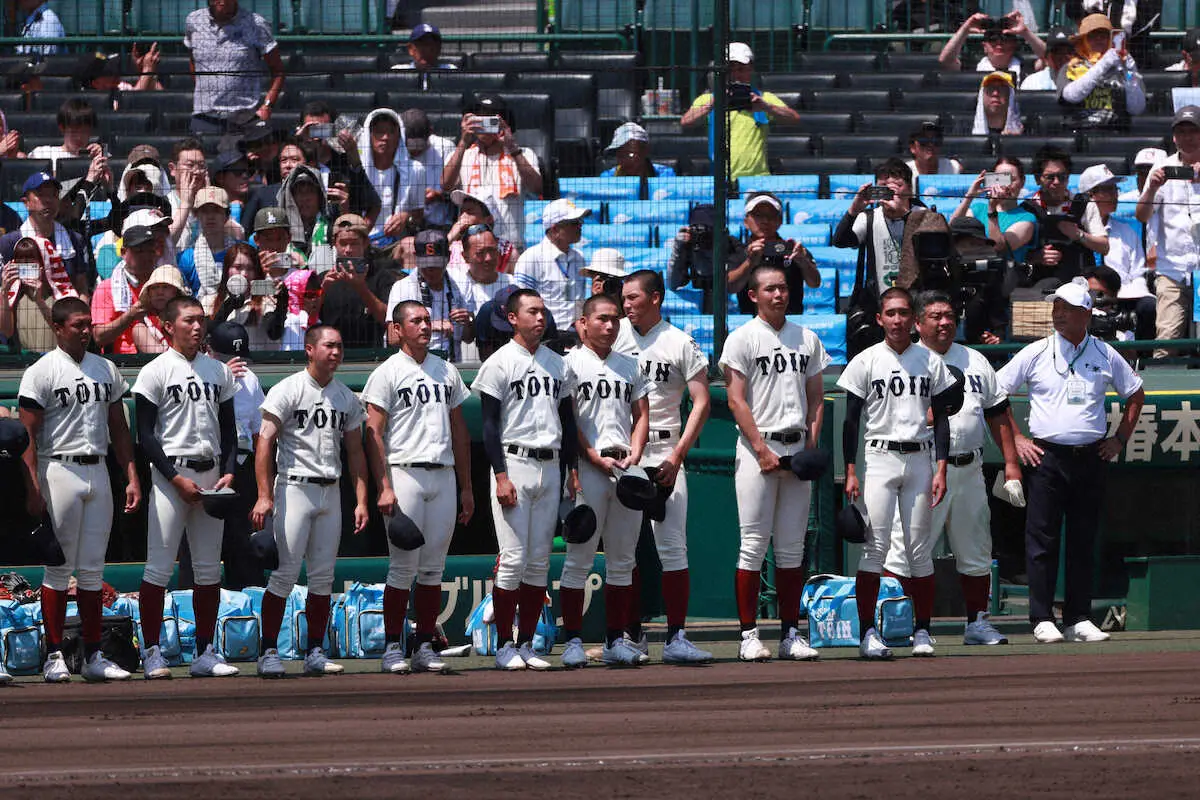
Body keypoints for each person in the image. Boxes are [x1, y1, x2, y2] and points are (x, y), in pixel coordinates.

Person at [996, 280, 1145, 643]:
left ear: (1085, 315)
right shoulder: (1035, 352)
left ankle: (1078, 616)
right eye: (1055, 307)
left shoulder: (1105, 353)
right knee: (1041, 539)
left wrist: (1119, 439)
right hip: (1047, 457)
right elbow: (997, 392)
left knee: (1083, 538)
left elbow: (1136, 393)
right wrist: (1017, 438)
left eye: (1066, 308)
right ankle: (1041, 617)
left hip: (1091, 457)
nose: (1058, 314)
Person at [882, 291, 1022, 646]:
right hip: (921, 467)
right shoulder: (905, 361)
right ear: (918, 322)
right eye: (935, 316)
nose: (945, 322)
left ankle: (977, 623)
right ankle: (900, 624)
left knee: (976, 550)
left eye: (949, 315)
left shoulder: (975, 359)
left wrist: (1011, 464)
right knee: (907, 551)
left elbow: (997, 413)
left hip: (969, 467)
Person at [18, 297, 141, 682]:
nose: (86, 331)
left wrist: (132, 475)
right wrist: (34, 486)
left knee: (91, 571)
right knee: (58, 570)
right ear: (57, 328)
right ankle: (54, 654)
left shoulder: (105, 368)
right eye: (78, 325)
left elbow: (119, 428)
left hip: (98, 471)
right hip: (59, 468)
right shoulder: (42, 370)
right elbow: (27, 436)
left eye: (89, 324)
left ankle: (92, 654)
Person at [837, 288, 957, 660]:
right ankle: (868, 633)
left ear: (912, 318)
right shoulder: (866, 360)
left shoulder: (929, 360)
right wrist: (851, 470)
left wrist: (941, 468)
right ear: (879, 318)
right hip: (879, 457)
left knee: (920, 550)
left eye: (904, 312)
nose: (898, 320)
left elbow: (942, 419)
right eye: (890, 313)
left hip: (920, 458)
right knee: (875, 548)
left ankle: (923, 630)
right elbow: (850, 420)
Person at [719, 265, 830, 663]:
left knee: (791, 549)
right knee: (752, 546)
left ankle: (790, 634)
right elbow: (735, 399)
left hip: (796, 445)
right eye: (770, 289)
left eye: (783, 288)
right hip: (757, 448)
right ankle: (749, 634)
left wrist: (811, 448)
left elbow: (816, 397)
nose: (779, 295)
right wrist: (760, 448)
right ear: (753, 295)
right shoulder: (742, 338)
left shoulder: (807, 338)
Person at [131, 296, 240, 679]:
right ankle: (152, 651)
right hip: (170, 474)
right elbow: (144, 435)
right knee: (159, 568)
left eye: (201, 321)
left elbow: (230, 430)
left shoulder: (219, 372)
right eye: (189, 321)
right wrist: (174, 479)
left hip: (211, 474)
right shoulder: (154, 371)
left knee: (209, 569)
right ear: (168, 325)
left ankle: (205, 651)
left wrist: (229, 472)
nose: (197, 327)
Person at [250, 325, 369, 677]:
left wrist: (361, 499)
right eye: (329, 346)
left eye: (340, 346)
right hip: (294, 487)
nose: (335, 352)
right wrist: (263, 495)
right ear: (309, 349)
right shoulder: (288, 389)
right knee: (284, 575)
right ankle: (268, 651)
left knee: (322, 577)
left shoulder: (346, 396)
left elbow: (355, 452)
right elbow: (264, 444)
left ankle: (315, 649)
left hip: (330, 489)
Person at [362, 300, 473, 674]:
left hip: (442, 474)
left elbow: (460, 431)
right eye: (416, 321)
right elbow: (373, 431)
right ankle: (393, 646)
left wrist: (467, 487)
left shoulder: (446, 370)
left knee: (432, 570)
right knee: (402, 567)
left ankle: (425, 643)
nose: (425, 326)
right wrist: (384, 486)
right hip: (404, 472)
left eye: (427, 319)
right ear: (397, 329)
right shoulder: (387, 372)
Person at [472, 289, 577, 671]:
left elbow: (567, 422)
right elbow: (487, 425)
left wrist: (573, 472)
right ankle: (504, 644)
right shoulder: (500, 363)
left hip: (550, 465)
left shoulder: (558, 364)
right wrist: (500, 475)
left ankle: (528, 643)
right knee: (514, 559)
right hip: (513, 462)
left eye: (543, 310)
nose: (540, 317)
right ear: (512, 318)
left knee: (538, 562)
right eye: (532, 311)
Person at [615, 270, 713, 663]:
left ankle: (676, 637)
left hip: (666, 451)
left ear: (656, 298)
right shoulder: (613, 336)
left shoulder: (679, 341)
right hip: (622, 455)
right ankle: (629, 634)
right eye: (623, 298)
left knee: (672, 549)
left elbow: (702, 402)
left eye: (633, 297)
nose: (626, 305)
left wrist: (678, 457)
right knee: (624, 551)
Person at [557, 294, 651, 667]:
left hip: (624, 465)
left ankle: (616, 640)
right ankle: (573, 641)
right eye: (602, 319)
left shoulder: (630, 365)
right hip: (588, 466)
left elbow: (641, 414)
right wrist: (588, 458)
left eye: (614, 319)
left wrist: (637, 451)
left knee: (623, 560)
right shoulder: (569, 365)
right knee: (579, 558)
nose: (610, 325)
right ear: (584, 322)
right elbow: (569, 421)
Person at [680, 42, 799, 179]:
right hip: (721, 180)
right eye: (731, 70)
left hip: (757, 179)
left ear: (751, 70)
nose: (736, 75)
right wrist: (713, 104)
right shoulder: (707, 100)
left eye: (742, 69)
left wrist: (767, 107)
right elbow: (686, 121)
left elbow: (794, 118)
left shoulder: (764, 98)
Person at [1136, 106, 1200, 359]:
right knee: (1165, 341)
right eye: (1181, 132)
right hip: (1171, 269)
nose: (1187, 137)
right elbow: (1142, 216)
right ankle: (1166, 395)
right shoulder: (1161, 168)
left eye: (1193, 131)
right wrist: (1151, 189)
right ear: (1174, 137)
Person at [206, 321, 265, 591]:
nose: (237, 364)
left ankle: (247, 613)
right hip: (209, 465)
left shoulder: (250, 379)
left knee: (244, 544)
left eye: (240, 358)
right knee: (204, 545)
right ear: (211, 351)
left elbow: (257, 432)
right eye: (230, 358)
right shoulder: (202, 374)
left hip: (242, 465)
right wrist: (221, 379)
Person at [442, 93, 543, 248]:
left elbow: (537, 188)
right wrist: (463, 142)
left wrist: (512, 148)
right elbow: (446, 185)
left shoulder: (524, 154)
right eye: (481, 120)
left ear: (505, 124)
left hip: (510, 247)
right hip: (472, 246)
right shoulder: (462, 155)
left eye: (492, 120)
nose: (486, 126)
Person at [833, 158, 945, 295]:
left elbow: (938, 245)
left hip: (919, 294)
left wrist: (903, 213)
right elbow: (840, 241)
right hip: (881, 297)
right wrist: (854, 210)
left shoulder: (923, 215)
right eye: (884, 185)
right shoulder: (869, 218)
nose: (891, 191)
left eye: (897, 185)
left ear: (909, 189)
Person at [1078, 164, 1155, 342]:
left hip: (1123, 294)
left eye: (1115, 189)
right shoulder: (1077, 230)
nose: (1115, 195)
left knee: (1148, 306)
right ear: (1090, 195)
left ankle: (1144, 360)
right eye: (1107, 190)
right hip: (1088, 295)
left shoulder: (1126, 231)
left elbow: (1137, 271)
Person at [185, 0, 286, 135]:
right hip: (203, 117)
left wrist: (267, 106)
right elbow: (193, 60)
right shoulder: (193, 21)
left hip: (243, 117)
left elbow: (278, 71)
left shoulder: (256, 24)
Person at [1021, 145, 1108, 286]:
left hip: (1079, 281)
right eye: (1050, 177)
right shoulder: (1027, 208)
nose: (1056, 182)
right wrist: (1035, 257)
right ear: (1037, 179)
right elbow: (1015, 254)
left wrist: (1079, 235)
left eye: (1062, 177)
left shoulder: (1084, 204)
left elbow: (1104, 247)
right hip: (1039, 282)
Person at [0, 173, 90, 302]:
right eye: (41, 194)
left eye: (54, 195)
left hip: (66, 313)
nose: (48, 200)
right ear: (26, 203)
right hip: (24, 314)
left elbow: (82, 289)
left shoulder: (75, 239)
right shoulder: (9, 242)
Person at [727, 192, 821, 314]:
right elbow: (730, 287)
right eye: (758, 215)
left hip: (790, 322)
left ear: (780, 220)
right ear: (746, 221)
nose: (765, 221)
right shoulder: (739, 252)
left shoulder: (794, 250)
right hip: (752, 324)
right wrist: (750, 262)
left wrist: (803, 261)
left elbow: (815, 283)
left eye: (771, 215)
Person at [387, 229, 471, 359]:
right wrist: (429, 326)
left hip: (452, 364)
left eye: (436, 265)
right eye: (426, 265)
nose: (431, 271)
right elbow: (392, 338)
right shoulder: (402, 287)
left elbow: (469, 338)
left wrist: (468, 321)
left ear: (448, 257)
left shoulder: (462, 282)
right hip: (415, 364)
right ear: (415, 257)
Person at [513, 198, 591, 334]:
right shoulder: (531, 257)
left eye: (580, 221)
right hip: (545, 337)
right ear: (555, 229)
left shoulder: (579, 258)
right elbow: (521, 304)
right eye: (574, 223)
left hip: (576, 336)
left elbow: (579, 300)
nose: (580, 226)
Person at [1057, 13, 1146, 132]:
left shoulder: (1123, 68)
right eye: (1093, 36)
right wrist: (1103, 64)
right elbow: (1071, 96)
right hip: (1079, 132)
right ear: (1083, 40)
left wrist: (1130, 71)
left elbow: (1136, 108)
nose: (1099, 39)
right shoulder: (1071, 67)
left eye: (1103, 35)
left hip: (1116, 133)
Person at [321, 213, 396, 349]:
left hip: (371, 356)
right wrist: (321, 292)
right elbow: (308, 321)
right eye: (343, 243)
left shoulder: (381, 277)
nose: (348, 250)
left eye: (354, 243)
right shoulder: (324, 280)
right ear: (334, 243)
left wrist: (361, 288)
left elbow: (388, 318)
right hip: (331, 357)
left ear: (366, 243)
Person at [92, 225, 168, 355]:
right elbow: (99, 337)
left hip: (165, 354)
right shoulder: (107, 287)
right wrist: (130, 316)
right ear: (123, 252)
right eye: (139, 251)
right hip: (123, 361)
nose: (146, 256)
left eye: (150, 250)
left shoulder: (165, 283)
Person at [950, 156, 1038, 267]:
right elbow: (951, 230)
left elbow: (998, 248)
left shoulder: (1026, 218)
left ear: (1022, 182)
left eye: (1012, 180)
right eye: (1001, 179)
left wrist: (992, 209)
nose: (1006, 186)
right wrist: (969, 197)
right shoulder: (977, 209)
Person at [356, 108, 423, 245]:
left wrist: (406, 216)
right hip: (359, 241)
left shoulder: (415, 170)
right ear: (369, 135)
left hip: (396, 244)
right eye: (379, 132)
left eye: (391, 132)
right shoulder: (357, 170)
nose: (385, 137)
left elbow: (419, 214)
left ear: (399, 136)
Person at [666, 203, 741, 314]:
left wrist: (716, 248)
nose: (702, 236)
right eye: (697, 229)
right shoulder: (688, 244)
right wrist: (678, 250)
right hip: (698, 298)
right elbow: (673, 284)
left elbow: (731, 285)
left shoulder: (731, 245)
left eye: (708, 231)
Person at [210, 241, 286, 347]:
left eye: (250, 269)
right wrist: (228, 305)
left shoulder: (266, 299)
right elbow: (208, 337)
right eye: (238, 267)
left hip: (257, 362)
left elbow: (274, 333)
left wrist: (282, 304)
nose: (244, 274)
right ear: (227, 269)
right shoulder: (210, 300)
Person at [178, 187, 239, 306]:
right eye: (205, 211)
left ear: (226, 215)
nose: (210, 216)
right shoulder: (185, 258)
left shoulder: (243, 252)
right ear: (196, 215)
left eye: (216, 210)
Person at [937, 10, 1046, 77]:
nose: (999, 42)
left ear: (1014, 45)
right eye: (992, 39)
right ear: (984, 46)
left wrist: (1025, 32)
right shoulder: (973, 67)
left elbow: (1048, 58)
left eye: (1005, 38)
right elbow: (946, 60)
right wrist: (965, 29)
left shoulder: (1025, 67)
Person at [28, 98, 111, 181]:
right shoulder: (42, 154)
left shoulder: (98, 157)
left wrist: (103, 156)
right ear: (62, 128)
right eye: (74, 131)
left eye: (84, 132)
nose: (79, 137)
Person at [402, 108, 455, 229]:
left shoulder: (445, 148)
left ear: (430, 133)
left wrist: (439, 195)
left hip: (438, 224)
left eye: (420, 147)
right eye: (411, 148)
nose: (415, 152)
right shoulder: (393, 149)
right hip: (403, 222)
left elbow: (456, 192)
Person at [0, 237, 55, 351]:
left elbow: (62, 331)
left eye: (30, 260)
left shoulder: (58, 293)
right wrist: (5, 293)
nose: (25, 264)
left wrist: (40, 301)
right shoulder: (12, 295)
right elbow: (7, 332)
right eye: (20, 260)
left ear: (42, 262)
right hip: (23, 363)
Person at [446, 190, 515, 273]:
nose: (462, 217)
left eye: (469, 211)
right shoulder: (452, 247)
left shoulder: (507, 252)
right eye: (461, 212)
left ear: (489, 220)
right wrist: (450, 237)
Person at [600, 122, 676, 178]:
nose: (625, 160)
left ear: (645, 151)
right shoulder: (607, 178)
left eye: (630, 154)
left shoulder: (666, 175)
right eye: (620, 154)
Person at [1020, 26, 1075, 91]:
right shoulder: (1032, 83)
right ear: (1046, 58)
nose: (1063, 58)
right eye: (1057, 52)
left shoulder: (1084, 80)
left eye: (1069, 52)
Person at [972, 71, 1024, 135]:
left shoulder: (1028, 130)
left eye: (1002, 88)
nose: (995, 93)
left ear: (1010, 96)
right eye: (990, 88)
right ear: (982, 96)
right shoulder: (964, 129)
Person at [392, 23, 458, 71]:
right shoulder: (398, 72)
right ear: (411, 49)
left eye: (432, 47)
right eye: (422, 47)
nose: (427, 51)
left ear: (439, 49)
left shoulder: (450, 71)